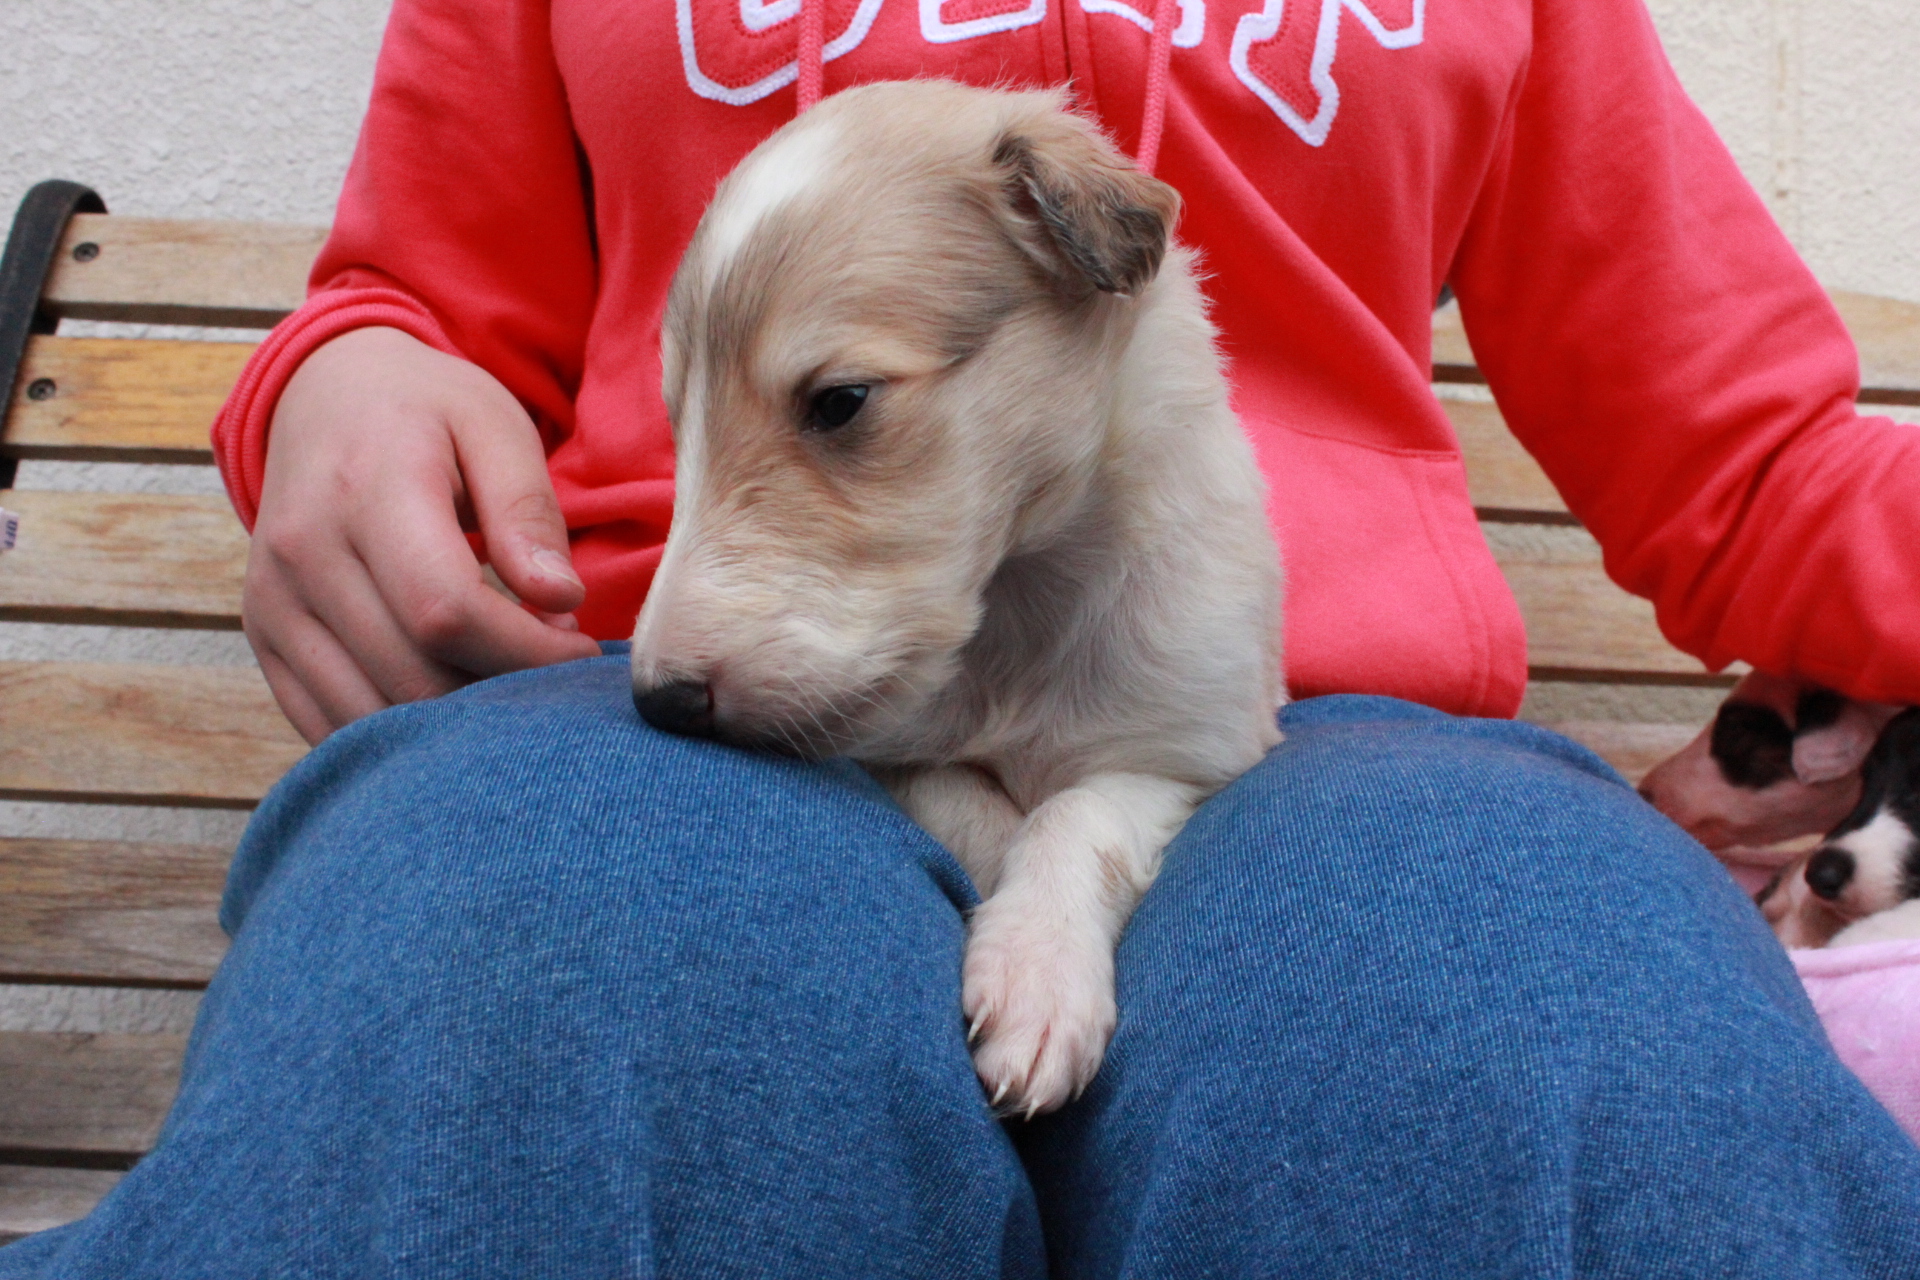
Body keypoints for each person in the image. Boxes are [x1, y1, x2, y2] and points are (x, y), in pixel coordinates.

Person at [6, 0, 1919, 1274]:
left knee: (1519, 1031)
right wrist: (347, 370)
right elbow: (420, 290)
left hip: (1316, 734)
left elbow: (1752, 456)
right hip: (671, 721)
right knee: (548, 984)